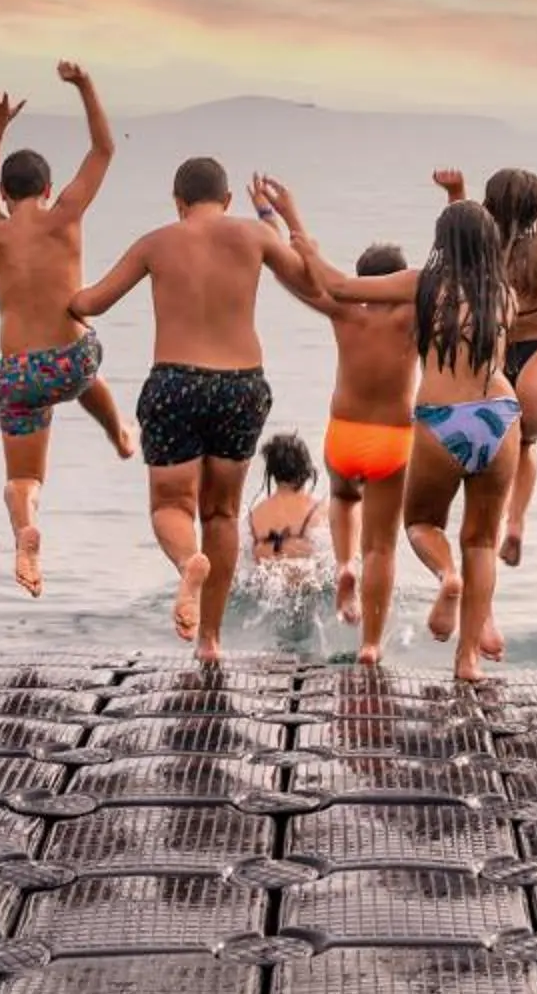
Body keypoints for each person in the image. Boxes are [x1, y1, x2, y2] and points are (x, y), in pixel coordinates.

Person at [68, 155, 316, 663]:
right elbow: (311, 283)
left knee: (169, 507)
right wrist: (280, 220)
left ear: (178, 203)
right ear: (226, 201)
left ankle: (188, 562)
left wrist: (52, 293)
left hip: (175, 381)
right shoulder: (254, 235)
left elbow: (92, 303)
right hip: (241, 387)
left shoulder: (156, 241)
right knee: (221, 513)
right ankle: (210, 641)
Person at [297, 194, 516, 681]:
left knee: (420, 524)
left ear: (442, 243)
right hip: (502, 416)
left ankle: (447, 576)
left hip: (443, 417)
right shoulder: (504, 291)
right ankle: (468, 660)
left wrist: (302, 242)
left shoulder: (424, 283)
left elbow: (336, 284)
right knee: (482, 540)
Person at [0, 63, 137, 598]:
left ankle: (25, 533)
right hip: (72, 358)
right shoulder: (63, 213)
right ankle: (119, 435)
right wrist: (86, 86)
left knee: (23, 482)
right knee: (87, 363)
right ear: (46, 187)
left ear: (6, 193)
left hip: (21, 372)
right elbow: (104, 150)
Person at [268, 218, 419, 655]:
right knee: (383, 549)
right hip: (392, 437)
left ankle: (342, 564)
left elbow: (293, 275)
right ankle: (370, 644)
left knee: (345, 498)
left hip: (344, 434)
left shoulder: (343, 308)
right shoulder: (413, 315)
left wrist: (277, 220)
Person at [437, 167, 537, 570]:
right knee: (526, 442)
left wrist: (455, 193)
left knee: (487, 464)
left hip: (490, 365)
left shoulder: (479, 247)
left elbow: (457, 235)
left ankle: (485, 534)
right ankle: (515, 521)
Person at [245, 431, 327, 568]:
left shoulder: (254, 515)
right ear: (307, 470)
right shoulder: (317, 509)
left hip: (264, 582)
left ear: (271, 474)